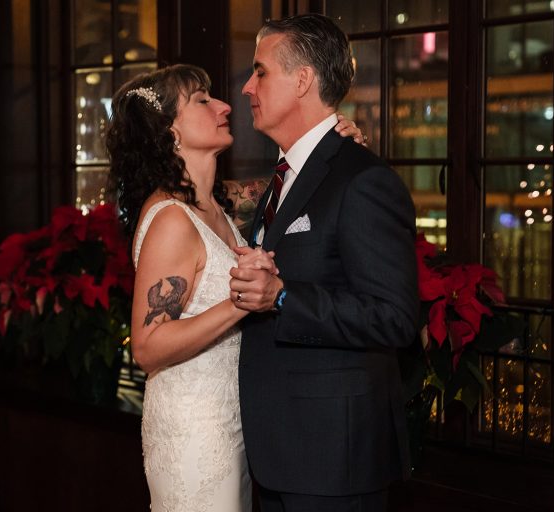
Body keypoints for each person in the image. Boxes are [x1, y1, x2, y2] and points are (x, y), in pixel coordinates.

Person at [105, 64, 365, 512]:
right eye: (203, 101)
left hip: (232, 426)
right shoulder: (171, 219)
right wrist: (243, 301)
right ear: (168, 130)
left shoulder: (214, 204)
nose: (225, 105)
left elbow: (290, 189)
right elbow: (148, 347)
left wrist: (332, 152)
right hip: (193, 433)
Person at [229, 14, 419, 512]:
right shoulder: (285, 175)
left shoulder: (362, 181)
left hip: (333, 460)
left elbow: (394, 317)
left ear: (303, 80)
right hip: (278, 454)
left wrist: (283, 297)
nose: (247, 86)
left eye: (260, 71)